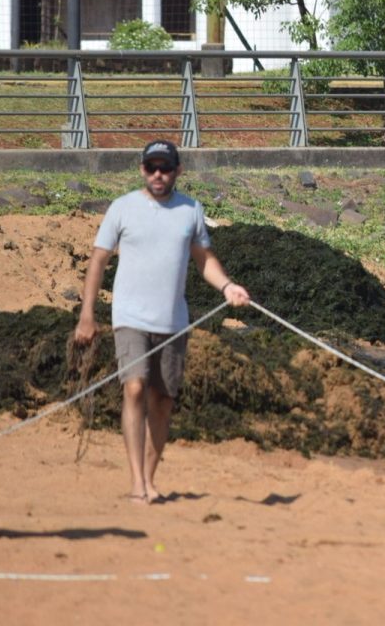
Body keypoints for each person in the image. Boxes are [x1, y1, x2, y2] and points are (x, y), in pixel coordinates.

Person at [74, 140, 250, 504]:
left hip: (173, 322)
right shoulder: (122, 208)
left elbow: (204, 260)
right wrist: (87, 314)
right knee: (135, 388)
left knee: (163, 400)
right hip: (129, 318)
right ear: (142, 169)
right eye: (152, 167)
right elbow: (98, 260)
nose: (158, 174)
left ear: (177, 171)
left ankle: (150, 479)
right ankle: (137, 482)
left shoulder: (190, 210)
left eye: (165, 168)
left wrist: (228, 286)